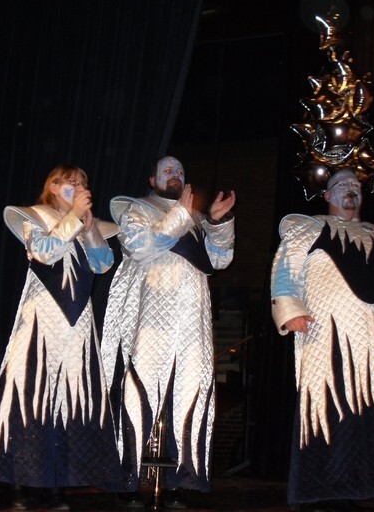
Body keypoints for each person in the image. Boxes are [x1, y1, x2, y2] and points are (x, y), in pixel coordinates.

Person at [270, 168, 374, 510]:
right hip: (328, 329)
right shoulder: (307, 228)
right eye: (342, 185)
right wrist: (289, 308)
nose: (351, 189)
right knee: (331, 403)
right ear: (327, 195)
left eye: (356, 185)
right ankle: (326, 488)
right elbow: (285, 270)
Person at [0, 165, 122, 510]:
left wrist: (89, 227)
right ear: (52, 187)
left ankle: (56, 485)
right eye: (71, 183)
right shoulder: (35, 217)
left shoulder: (87, 223)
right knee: (28, 397)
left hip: (77, 324)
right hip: (41, 319)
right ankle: (18, 483)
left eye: (82, 183)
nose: (78, 188)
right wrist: (72, 219)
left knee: (68, 400)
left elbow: (103, 264)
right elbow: (44, 252)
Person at [101, 155, 235, 507]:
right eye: (167, 171)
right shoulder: (137, 210)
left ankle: (182, 480)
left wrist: (217, 223)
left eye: (180, 171)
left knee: (190, 392)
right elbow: (139, 246)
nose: (175, 175)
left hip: (192, 317)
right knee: (138, 392)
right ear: (152, 179)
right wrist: (180, 216)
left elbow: (219, 259)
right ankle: (127, 480)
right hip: (151, 315)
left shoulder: (196, 218)